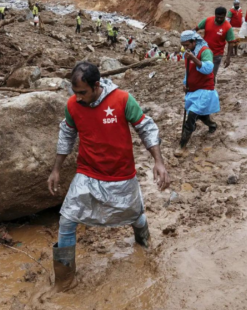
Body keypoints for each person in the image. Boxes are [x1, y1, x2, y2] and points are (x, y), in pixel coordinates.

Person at [47, 61, 170, 291]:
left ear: (96, 85)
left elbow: (146, 128)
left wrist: (158, 161)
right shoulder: (73, 105)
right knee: (67, 219)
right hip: (87, 173)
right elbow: (66, 136)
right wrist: (56, 169)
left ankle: (144, 246)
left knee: (135, 215)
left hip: (121, 175)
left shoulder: (122, 99)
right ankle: (64, 282)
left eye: (83, 92)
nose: (79, 98)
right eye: (75, 93)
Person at [179, 31, 220, 148]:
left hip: (205, 89)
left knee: (192, 115)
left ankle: (182, 144)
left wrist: (194, 58)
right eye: (183, 45)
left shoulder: (205, 51)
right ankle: (212, 125)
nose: (185, 48)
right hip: (194, 89)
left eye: (187, 45)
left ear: (194, 41)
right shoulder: (189, 52)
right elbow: (189, 71)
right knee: (201, 115)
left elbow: (208, 69)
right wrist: (185, 83)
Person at [193, 6, 237, 83]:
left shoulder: (227, 27)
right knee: (200, 73)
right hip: (204, 53)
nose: (219, 19)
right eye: (218, 17)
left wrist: (228, 58)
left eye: (221, 17)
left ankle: (211, 90)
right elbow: (195, 29)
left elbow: (231, 42)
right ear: (215, 15)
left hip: (217, 54)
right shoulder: (207, 20)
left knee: (211, 75)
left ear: (225, 16)